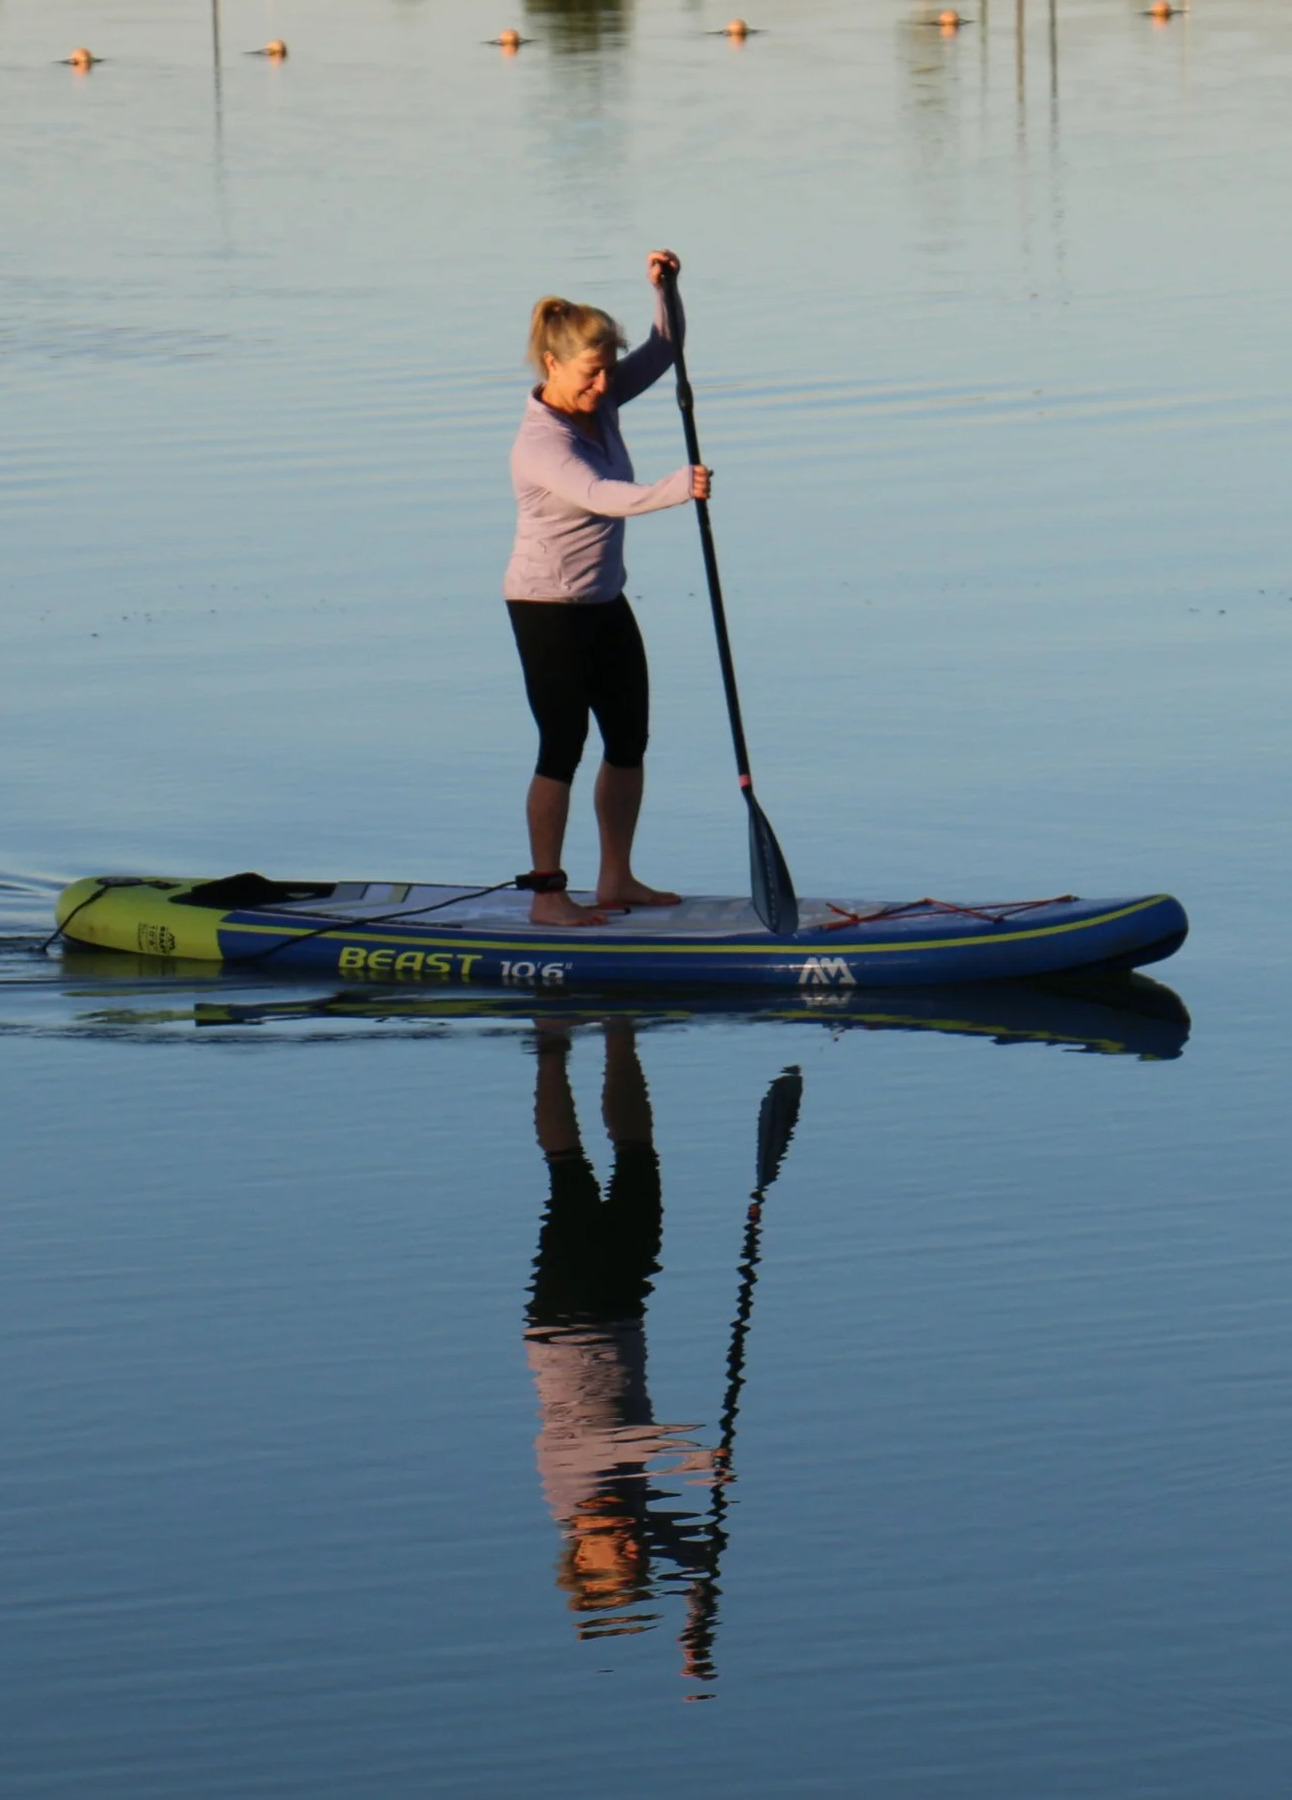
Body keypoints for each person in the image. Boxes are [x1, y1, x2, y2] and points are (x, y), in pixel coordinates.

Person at [505, 249, 712, 929]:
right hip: (546, 608)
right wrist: (673, 489)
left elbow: (667, 347)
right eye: (592, 373)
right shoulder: (540, 442)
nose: (604, 385)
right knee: (560, 745)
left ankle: (616, 878)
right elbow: (598, 495)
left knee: (629, 739)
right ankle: (547, 896)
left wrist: (666, 290)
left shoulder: (602, 398)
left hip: (602, 601)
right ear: (553, 366)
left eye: (607, 371)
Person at [522, 1018, 720, 1646]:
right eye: (637, 1561)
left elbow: (618, 1443)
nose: (634, 1546)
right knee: (640, 1162)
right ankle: (620, 1029)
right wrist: (696, 1622)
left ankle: (550, 1041)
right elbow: (693, 1556)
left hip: (566, 1319)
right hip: (624, 1312)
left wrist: (692, 1456)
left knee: (569, 1172)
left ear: (582, 1553)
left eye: (620, 1555)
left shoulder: (567, 1487)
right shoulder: (629, 1518)